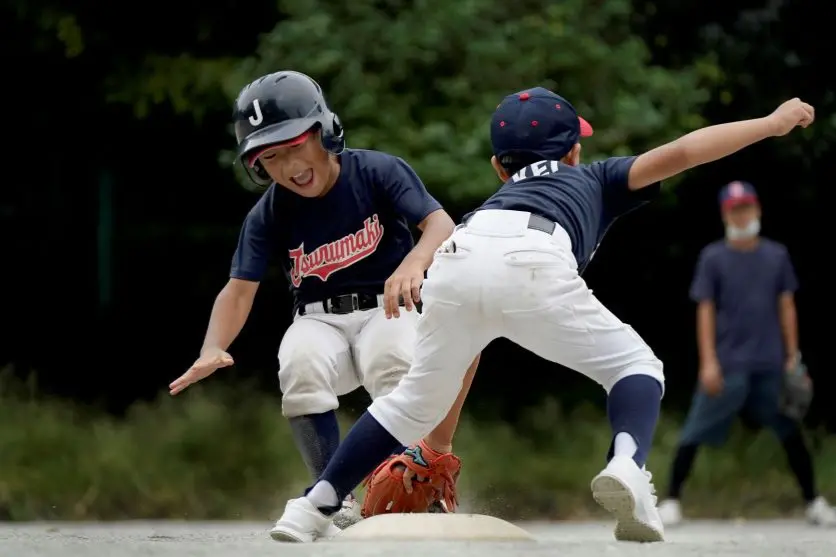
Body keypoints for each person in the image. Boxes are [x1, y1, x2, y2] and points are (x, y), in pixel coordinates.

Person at [266, 86, 815, 544]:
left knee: (413, 399)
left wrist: (437, 441)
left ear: (498, 168)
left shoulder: (497, 196)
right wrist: (769, 123)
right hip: (534, 258)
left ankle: (312, 506)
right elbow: (687, 149)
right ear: (574, 151)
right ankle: (626, 463)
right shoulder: (597, 177)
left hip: (460, 250)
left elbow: (466, 345)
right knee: (636, 367)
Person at [167, 70, 479, 532]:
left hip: (385, 308)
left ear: (325, 131)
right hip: (320, 320)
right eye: (270, 157)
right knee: (299, 361)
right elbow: (238, 289)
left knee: (393, 358)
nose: (289, 165)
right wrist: (212, 346)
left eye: (295, 145)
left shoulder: (376, 171)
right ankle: (337, 498)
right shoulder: (270, 211)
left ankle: (406, 486)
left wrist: (414, 263)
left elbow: (438, 224)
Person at [655, 181, 836, 527]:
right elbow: (705, 310)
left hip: (769, 362)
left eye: (747, 207)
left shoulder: (776, 255)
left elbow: (787, 307)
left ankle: (814, 502)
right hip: (727, 364)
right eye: (735, 209)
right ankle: (672, 500)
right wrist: (707, 361)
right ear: (726, 214)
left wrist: (792, 356)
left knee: (790, 431)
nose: (742, 214)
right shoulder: (713, 257)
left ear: (758, 210)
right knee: (694, 431)